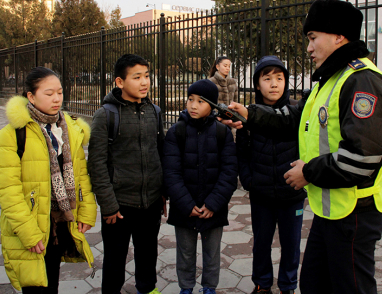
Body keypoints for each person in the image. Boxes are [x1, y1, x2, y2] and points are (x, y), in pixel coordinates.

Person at [222, 0, 382, 294]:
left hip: (353, 216)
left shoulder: (361, 81)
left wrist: (309, 172)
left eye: (313, 38)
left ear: (338, 36)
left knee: (351, 287)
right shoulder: (329, 81)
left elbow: (362, 159)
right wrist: (249, 115)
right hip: (329, 214)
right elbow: (292, 120)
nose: (309, 48)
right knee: (314, 284)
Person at [0, 67, 97, 293]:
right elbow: (8, 191)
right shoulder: (13, 134)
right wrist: (29, 233)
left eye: (60, 92)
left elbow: (81, 175)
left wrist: (87, 211)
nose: (56, 99)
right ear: (31, 97)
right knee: (35, 285)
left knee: (51, 279)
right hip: (31, 225)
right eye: (49, 93)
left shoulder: (70, 128)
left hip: (60, 221)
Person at [87, 54, 165, 294]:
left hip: (150, 201)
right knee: (114, 257)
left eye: (147, 76)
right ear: (120, 82)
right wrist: (109, 205)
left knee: (148, 252)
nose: (145, 82)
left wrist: (162, 193)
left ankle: (147, 288)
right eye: (137, 77)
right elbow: (97, 164)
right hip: (119, 206)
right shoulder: (106, 115)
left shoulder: (155, 111)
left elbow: (160, 154)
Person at [236, 56, 306, 294]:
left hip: (292, 194)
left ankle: (288, 286)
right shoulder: (248, 114)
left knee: (291, 244)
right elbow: (242, 151)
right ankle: (262, 284)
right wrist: (249, 181)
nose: (274, 84)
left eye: (279, 78)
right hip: (261, 194)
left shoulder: (297, 112)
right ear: (257, 84)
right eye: (267, 79)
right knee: (262, 243)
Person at [162, 79, 238, 294]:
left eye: (201, 101)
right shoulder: (176, 132)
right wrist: (186, 204)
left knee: (212, 252)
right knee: (185, 251)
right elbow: (171, 173)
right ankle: (186, 287)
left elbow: (229, 173)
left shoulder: (222, 133)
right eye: (190, 99)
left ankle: (209, 287)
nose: (193, 106)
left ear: (213, 106)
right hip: (184, 207)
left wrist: (213, 203)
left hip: (213, 206)